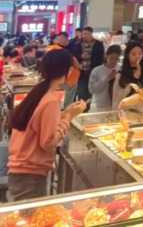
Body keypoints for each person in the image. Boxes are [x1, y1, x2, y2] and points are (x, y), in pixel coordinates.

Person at [7, 50, 87, 201]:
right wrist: (68, 117)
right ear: (68, 70)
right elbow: (48, 142)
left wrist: (65, 113)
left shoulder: (39, 92)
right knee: (31, 215)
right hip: (30, 174)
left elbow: (40, 124)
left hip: (20, 170)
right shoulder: (51, 100)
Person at [112, 41, 143, 109]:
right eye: (133, 54)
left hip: (142, 111)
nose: (137, 56)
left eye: (140, 53)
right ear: (127, 55)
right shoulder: (120, 75)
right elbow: (117, 97)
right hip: (126, 111)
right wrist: (134, 78)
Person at [88, 45, 121, 112]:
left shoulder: (120, 69)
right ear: (106, 56)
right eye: (111, 58)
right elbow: (92, 89)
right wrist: (108, 78)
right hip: (100, 106)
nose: (114, 61)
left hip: (116, 105)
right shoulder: (97, 70)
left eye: (117, 59)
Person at [75, 27, 105, 101]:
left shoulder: (98, 44)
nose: (84, 36)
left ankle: (88, 106)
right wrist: (80, 56)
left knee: (90, 92)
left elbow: (100, 57)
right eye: (83, 34)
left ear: (91, 34)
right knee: (81, 91)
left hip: (93, 71)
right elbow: (74, 55)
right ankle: (81, 105)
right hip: (81, 71)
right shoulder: (78, 43)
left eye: (86, 34)